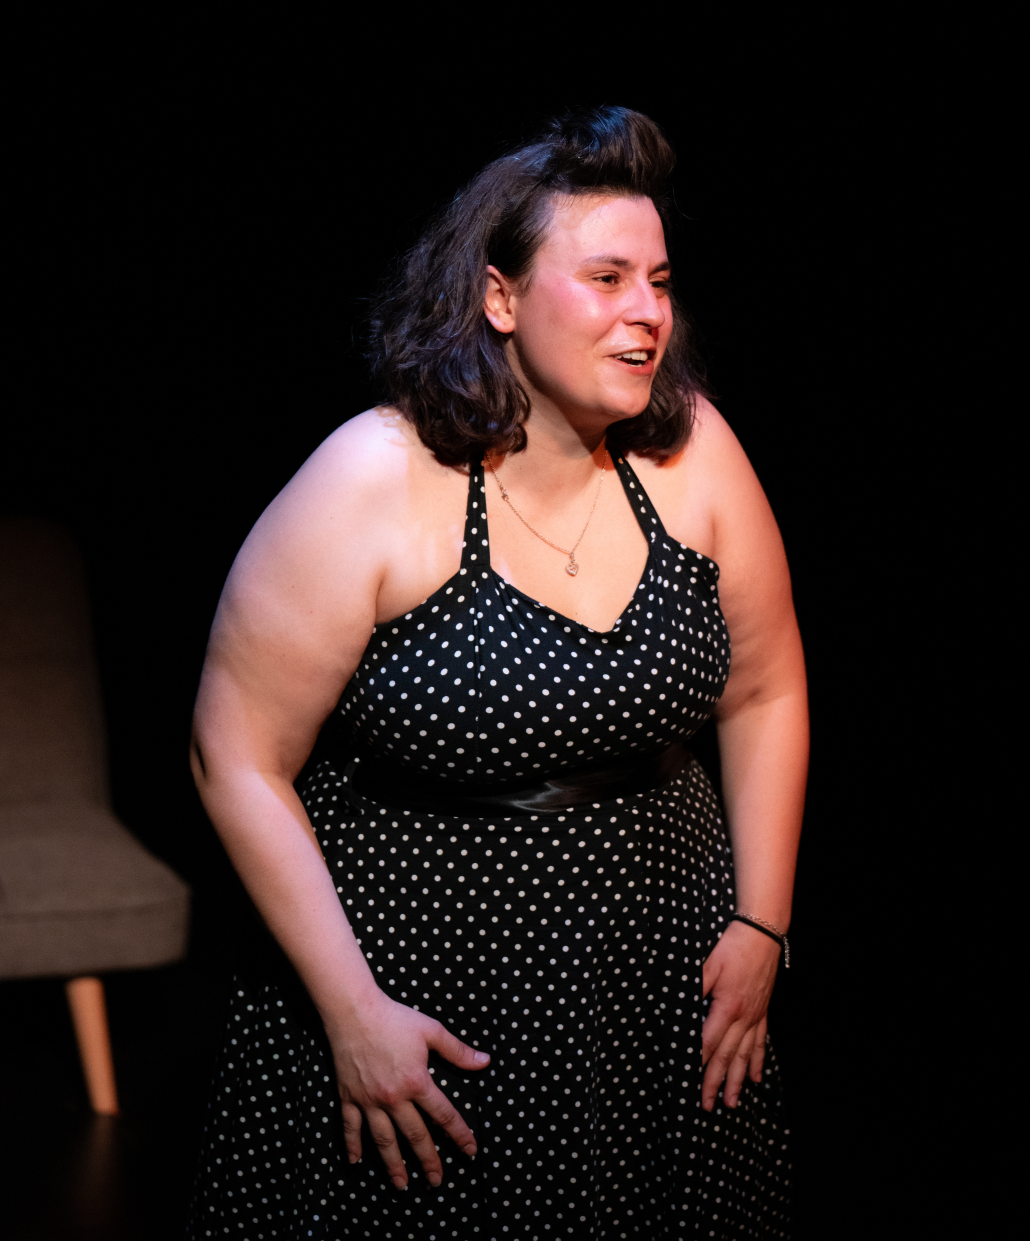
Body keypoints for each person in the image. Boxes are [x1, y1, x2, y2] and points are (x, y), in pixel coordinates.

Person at [187, 107, 808, 1239]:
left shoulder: (694, 452)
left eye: (659, 281)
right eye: (607, 278)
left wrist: (761, 928)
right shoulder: (374, 478)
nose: (647, 312)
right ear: (500, 298)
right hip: (428, 988)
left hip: (662, 976)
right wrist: (351, 1010)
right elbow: (234, 756)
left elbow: (766, 693)